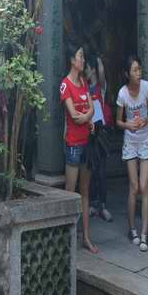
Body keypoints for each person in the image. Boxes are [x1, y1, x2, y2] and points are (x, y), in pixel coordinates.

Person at [60, 44, 98, 253]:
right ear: (72, 61)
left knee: (85, 191)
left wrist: (86, 116)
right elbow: (73, 115)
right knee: (69, 192)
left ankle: (87, 237)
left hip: (86, 142)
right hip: (73, 144)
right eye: (80, 57)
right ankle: (66, 238)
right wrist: (86, 117)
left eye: (82, 57)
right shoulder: (65, 85)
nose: (83, 60)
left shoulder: (83, 81)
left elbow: (92, 108)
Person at [116, 56, 148, 252]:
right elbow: (118, 121)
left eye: (139, 69)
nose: (138, 73)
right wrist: (128, 125)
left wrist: (146, 120)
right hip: (130, 141)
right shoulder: (122, 93)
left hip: (145, 138)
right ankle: (132, 229)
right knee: (133, 186)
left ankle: (145, 233)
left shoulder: (147, 87)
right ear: (127, 73)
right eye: (135, 70)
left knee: (144, 185)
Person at [86, 54, 113, 222]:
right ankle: (91, 204)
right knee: (90, 171)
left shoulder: (100, 87)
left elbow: (102, 74)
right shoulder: (84, 87)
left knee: (101, 171)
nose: (85, 71)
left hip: (101, 134)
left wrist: (99, 60)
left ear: (93, 70)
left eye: (87, 68)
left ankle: (103, 206)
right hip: (88, 133)